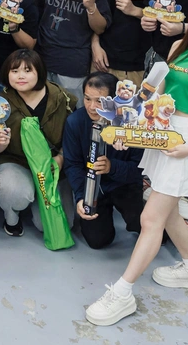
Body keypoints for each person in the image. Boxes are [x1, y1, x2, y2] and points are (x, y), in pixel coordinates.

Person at [85, 0, 188, 327]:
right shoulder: (177, 46)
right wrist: (129, 132)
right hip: (161, 132)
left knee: (150, 219)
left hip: (187, 141)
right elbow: (155, 98)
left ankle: (122, 293)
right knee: (167, 212)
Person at [0, 50, 75, 236]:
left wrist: (61, 158)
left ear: (40, 72)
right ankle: (12, 216)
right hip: (17, 161)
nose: (20, 76)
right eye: (14, 71)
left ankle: (36, 198)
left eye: (27, 70)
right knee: (14, 193)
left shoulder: (62, 98)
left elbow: (73, 139)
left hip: (51, 164)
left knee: (60, 225)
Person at [62, 71, 147, 250]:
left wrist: (112, 167)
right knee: (98, 240)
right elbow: (72, 165)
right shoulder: (75, 122)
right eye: (87, 99)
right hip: (92, 186)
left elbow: (139, 169)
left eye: (100, 101)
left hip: (124, 183)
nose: (92, 107)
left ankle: (146, 204)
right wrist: (81, 196)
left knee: (149, 228)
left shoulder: (131, 125)